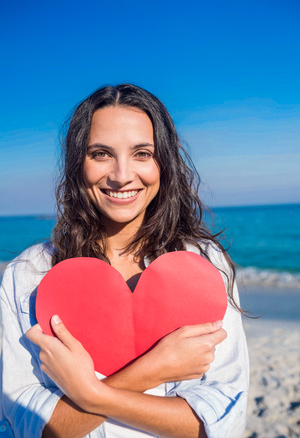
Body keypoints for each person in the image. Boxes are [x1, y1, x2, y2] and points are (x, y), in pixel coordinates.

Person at [0, 84, 249, 438]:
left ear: (164, 163)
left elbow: (221, 423)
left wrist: (89, 394)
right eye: (101, 154)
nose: (121, 175)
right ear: (76, 165)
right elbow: (31, 427)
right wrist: (151, 370)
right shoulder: (29, 274)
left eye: (142, 154)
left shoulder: (201, 266)